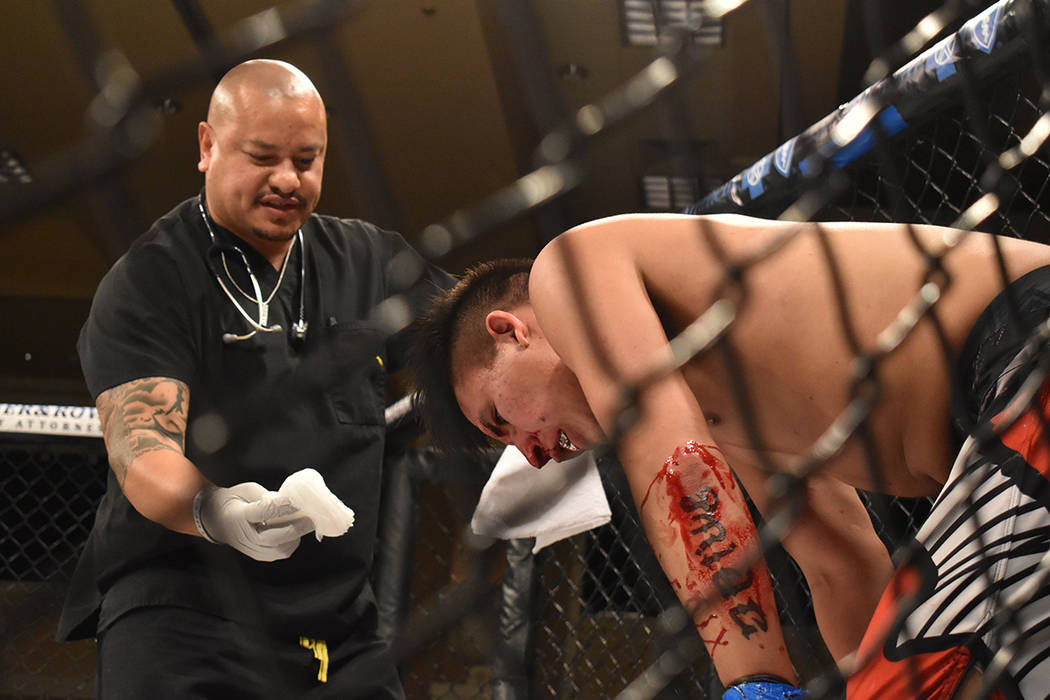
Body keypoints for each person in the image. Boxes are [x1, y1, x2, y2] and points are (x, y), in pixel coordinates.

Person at [410, 212, 1050, 699]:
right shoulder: (726, 401)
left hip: (1025, 347)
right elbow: (841, 565)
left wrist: (753, 686)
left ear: (509, 329)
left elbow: (677, 464)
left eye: (502, 421)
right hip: (1000, 433)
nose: (536, 455)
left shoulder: (568, 269)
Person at [57, 59, 453, 698]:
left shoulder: (370, 259)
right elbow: (142, 453)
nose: (288, 180)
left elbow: (469, 341)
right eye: (263, 156)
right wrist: (213, 510)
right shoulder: (152, 278)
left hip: (340, 623)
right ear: (208, 146)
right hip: (186, 611)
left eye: (307, 159)